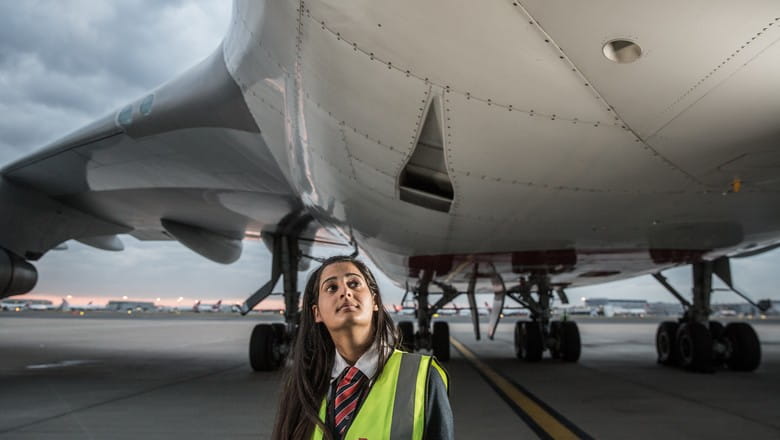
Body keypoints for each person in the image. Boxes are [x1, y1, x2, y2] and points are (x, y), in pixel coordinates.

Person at [272, 255, 453, 440]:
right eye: (331, 288)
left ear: (375, 301)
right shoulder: (304, 386)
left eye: (354, 284)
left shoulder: (423, 377)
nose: (345, 292)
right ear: (316, 313)